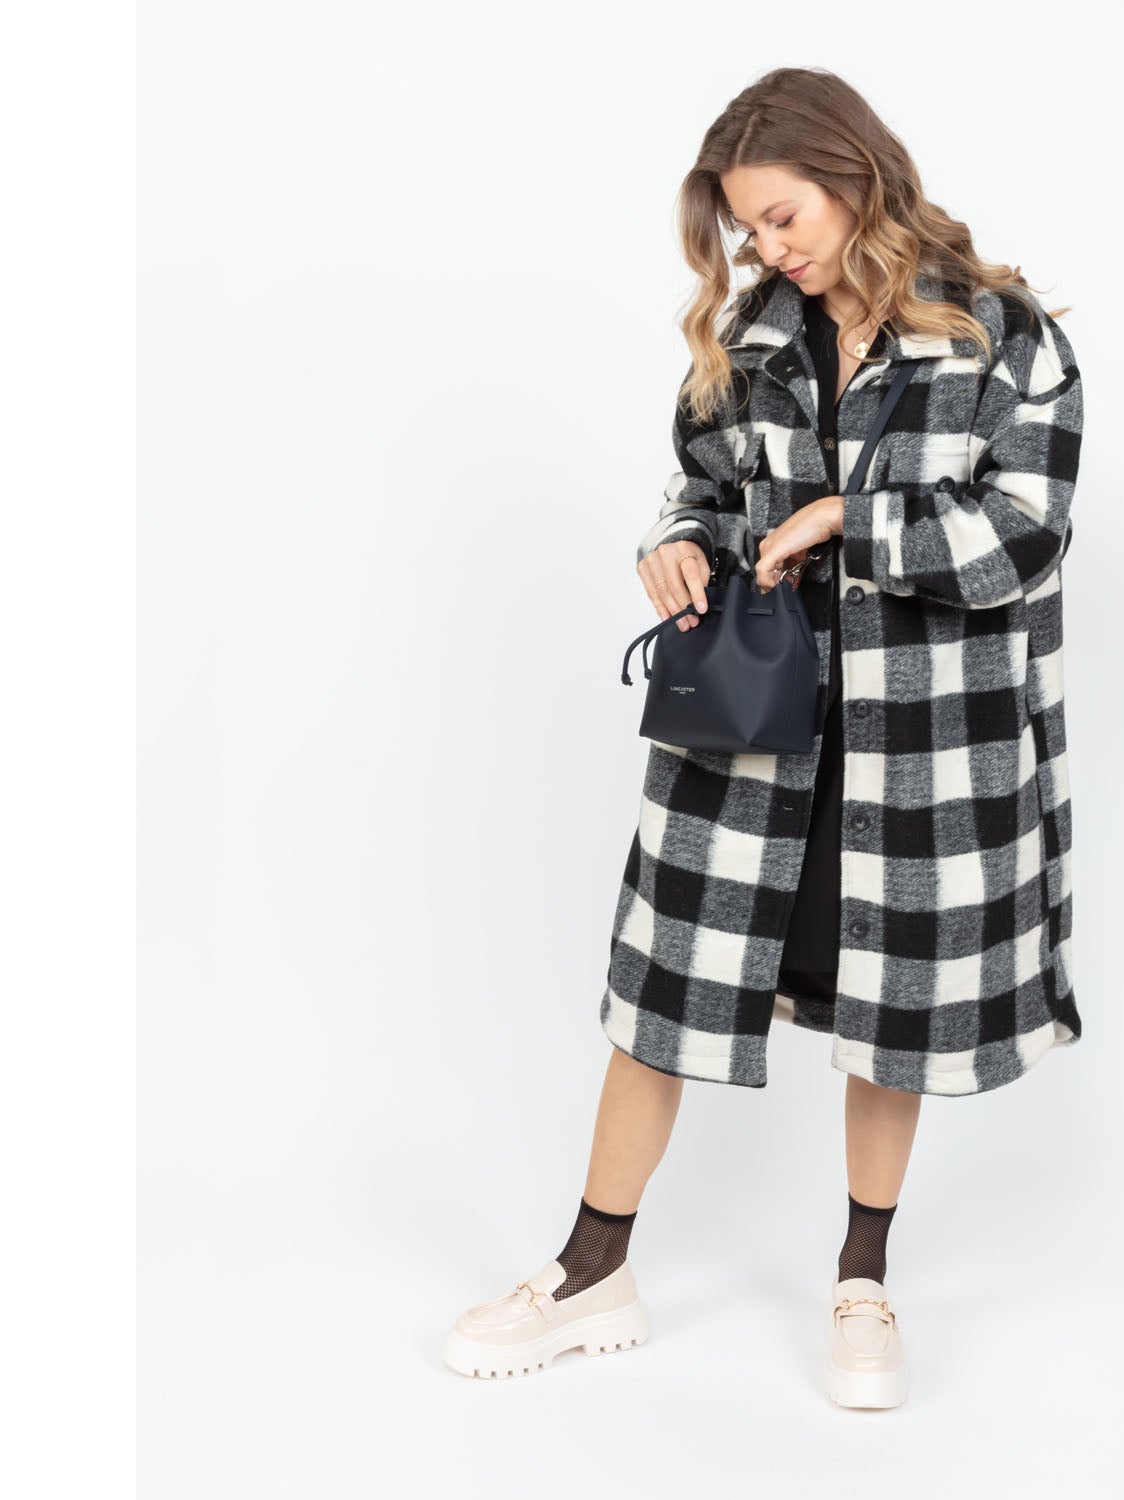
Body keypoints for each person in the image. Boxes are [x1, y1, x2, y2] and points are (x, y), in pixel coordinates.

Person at [443, 66, 1085, 1410]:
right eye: (748, 228)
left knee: (893, 1014)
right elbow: (700, 485)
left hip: (928, 742)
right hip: (751, 719)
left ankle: (863, 1281)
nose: (768, 247)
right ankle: (590, 1270)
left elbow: (1024, 536)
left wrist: (852, 519)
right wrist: (676, 544)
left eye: (784, 216)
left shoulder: (1003, 336)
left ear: (856, 178)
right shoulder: (752, 335)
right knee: (665, 985)